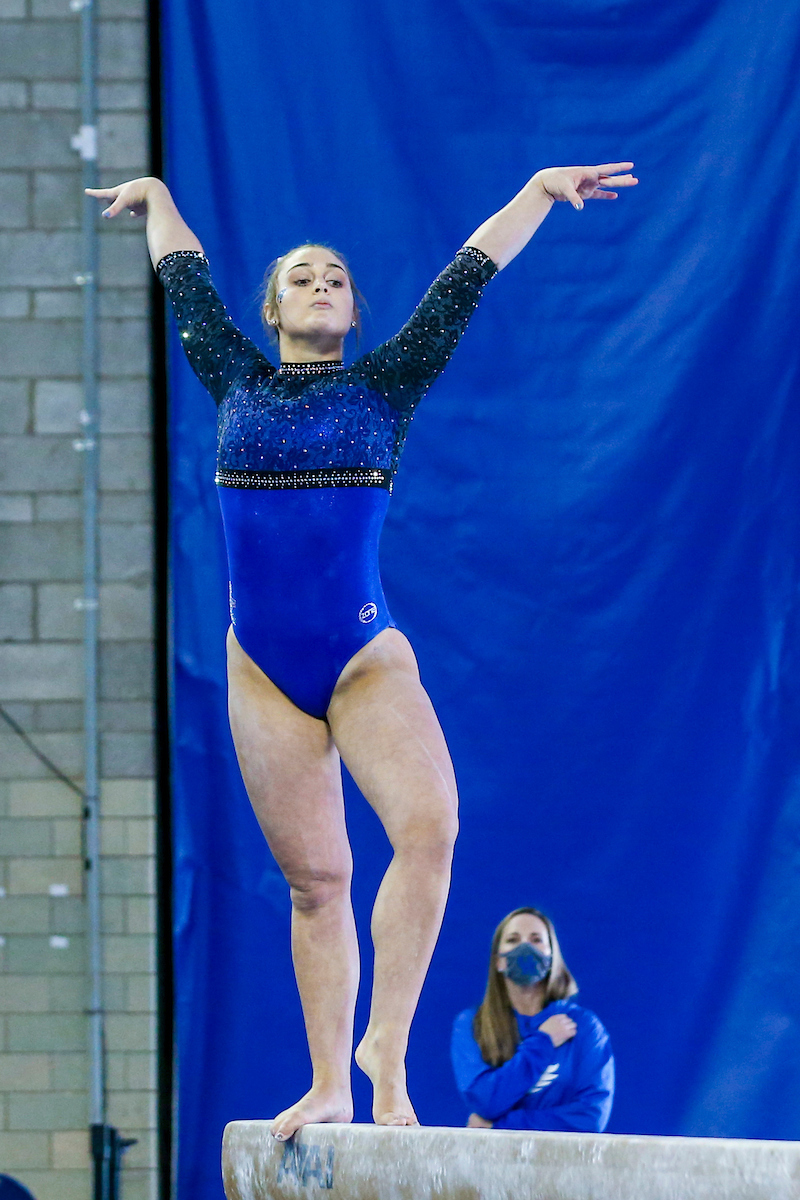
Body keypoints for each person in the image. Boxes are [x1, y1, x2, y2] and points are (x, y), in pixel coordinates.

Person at [87, 162, 636, 1140]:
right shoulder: (233, 376)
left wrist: (539, 193)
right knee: (317, 884)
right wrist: (153, 197)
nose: (321, 284)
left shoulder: (387, 383)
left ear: (352, 309)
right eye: (302, 277)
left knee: (430, 827)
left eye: (335, 276)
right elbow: (183, 274)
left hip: (360, 657)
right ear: (272, 308)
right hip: (260, 670)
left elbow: (466, 276)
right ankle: (330, 1082)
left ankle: (383, 1046)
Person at [451, 907, 615, 1131]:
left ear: (551, 956)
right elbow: (485, 1102)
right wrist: (543, 1042)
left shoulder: (584, 1026)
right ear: (498, 961)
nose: (525, 948)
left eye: (536, 940)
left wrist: (502, 1126)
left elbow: (591, 1117)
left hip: (564, 1163)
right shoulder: (473, 1024)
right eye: (513, 940)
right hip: (497, 1163)